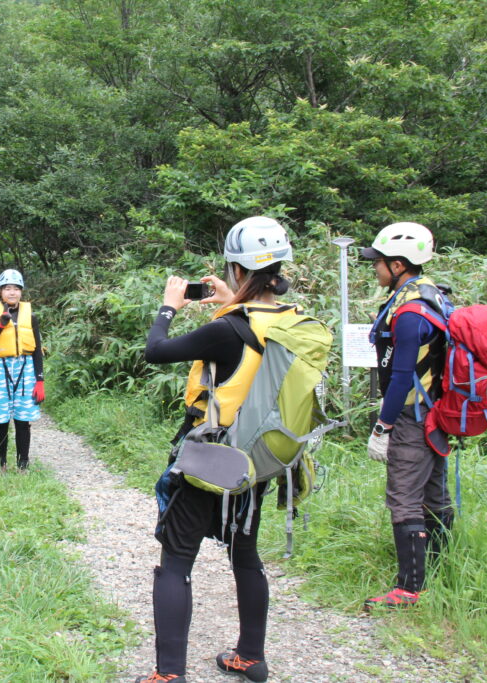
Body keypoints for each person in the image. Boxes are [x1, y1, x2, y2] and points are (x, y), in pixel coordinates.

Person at [137, 216, 297, 683]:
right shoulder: (289, 319)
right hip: (258, 459)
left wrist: (169, 306)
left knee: (175, 560)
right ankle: (251, 657)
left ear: (237, 271)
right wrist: (234, 303)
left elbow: (156, 349)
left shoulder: (227, 330)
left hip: (210, 455)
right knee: (244, 553)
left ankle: (169, 675)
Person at [361, 222, 452, 610]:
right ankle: (442, 569)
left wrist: (384, 424)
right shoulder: (433, 295)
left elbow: (401, 376)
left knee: (405, 499)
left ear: (398, 265)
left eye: (378, 262)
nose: (375, 268)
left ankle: (409, 590)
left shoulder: (410, 310)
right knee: (435, 496)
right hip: (436, 413)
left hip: (414, 417)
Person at [0, 269, 44, 471]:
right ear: (0, 292)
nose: (12, 292)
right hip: (0, 368)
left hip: (25, 368)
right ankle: (0, 464)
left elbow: (36, 349)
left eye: (16, 288)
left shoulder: (30, 315)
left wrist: (39, 379)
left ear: (21, 292)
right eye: (7, 288)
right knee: (0, 418)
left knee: (22, 419)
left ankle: (23, 464)